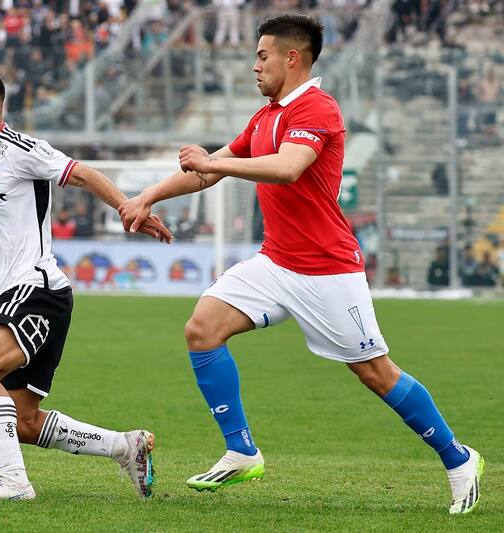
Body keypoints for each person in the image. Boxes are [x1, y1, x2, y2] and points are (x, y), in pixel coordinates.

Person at [119, 14, 483, 515]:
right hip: (275, 263)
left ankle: (459, 458)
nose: (255, 66)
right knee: (202, 329)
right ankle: (242, 450)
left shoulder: (318, 107)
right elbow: (207, 173)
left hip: (327, 269)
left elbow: (287, 169)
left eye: (262, 55)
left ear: (293, 57)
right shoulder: (266, 115)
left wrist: (214, 163)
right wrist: (148, 196)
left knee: (376, 373)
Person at [0, 65, 171, 501]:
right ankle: (127, 446)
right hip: (12, 293)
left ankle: (13, 484)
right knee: (24, 420)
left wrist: (127, 208)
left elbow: (82, 173)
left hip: (37, 290)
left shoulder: (18, 149)